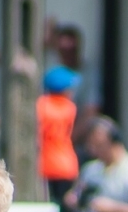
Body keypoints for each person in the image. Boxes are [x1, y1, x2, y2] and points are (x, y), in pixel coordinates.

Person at [44, 20, 102, 149]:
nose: (68, 54)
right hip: (48, 141)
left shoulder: (87, 73)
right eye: (64, 49)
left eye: (72, 49)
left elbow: (90, 112)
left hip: (75, 140)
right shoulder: (50, 69)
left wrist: (67, 140)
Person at [37, 66, 82, 205]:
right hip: (67, 164)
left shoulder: (40, 105)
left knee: (47, 204)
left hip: (45, 164)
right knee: (65, 205)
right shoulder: (70, 108)